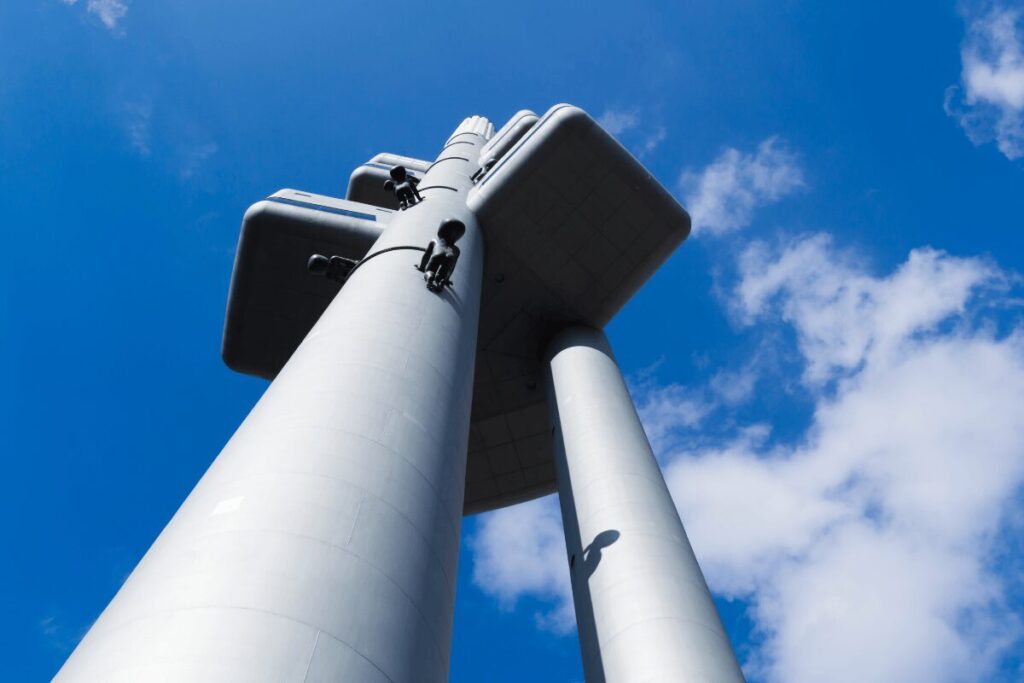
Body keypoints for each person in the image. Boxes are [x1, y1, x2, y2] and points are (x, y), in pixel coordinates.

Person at [417, 219, 465, 291]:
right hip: (449, 256)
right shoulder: (456, 250)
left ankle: (430, 277)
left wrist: (421, 267)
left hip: (437, 255)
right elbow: (452, 266)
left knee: (429, 271)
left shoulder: (435, 241)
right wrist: (447, 279)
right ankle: (440, 281)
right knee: (442, 275)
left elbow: (426, 255)